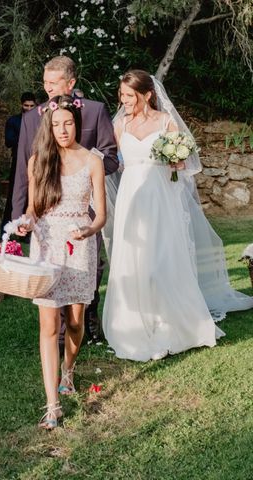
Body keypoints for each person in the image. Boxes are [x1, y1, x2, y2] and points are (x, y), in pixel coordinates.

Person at [102, 70, 233, 362]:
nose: (124, 101)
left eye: (129, 96)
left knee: (160, 261)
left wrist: (177, 162)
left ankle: (168, 324)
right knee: (136, 261)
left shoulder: (166, 122)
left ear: (147, 95)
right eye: (121, 96)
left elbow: (184, 163)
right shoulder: (120, 125)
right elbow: (112, 161)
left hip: (161, 199)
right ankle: (137, 322)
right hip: (132, 200)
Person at [11, 56, 119, 341]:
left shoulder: (95, 111)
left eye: (54, 83)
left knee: (89, 268)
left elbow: (110, 157)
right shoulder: (31, 118)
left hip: (82, 206)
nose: (48, 89)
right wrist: (17, 214)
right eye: (45, 83)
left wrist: (82, 166)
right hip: (46, 210)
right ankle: (57, 335)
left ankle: (86, 320)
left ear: (70, 83)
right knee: (49, 269)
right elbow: (24, 169)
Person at [16, 95, 106, 430]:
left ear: (77, 124)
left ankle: (68, 369)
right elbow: (33, 208)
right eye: (56, 124)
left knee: (76, 321)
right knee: (48, 326)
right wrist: (26, 222)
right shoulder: (38, 160)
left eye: (68, 123)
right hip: (47, 246)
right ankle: (52, 406)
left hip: (79, 245)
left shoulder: (92, 161)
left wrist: (88, 228)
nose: (63, 129)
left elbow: (100, 216)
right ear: (49, 127)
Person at [1, 91, 36, 229]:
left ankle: (29, 229)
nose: (28, 108)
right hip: (18, 161)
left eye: (31, 106)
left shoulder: (40, 120)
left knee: (33, 195)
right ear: (21, 105)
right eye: (26, 105)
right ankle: (8, 227)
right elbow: (8, 141)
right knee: (14, 194)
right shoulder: (13, 121)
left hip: (36, 162)